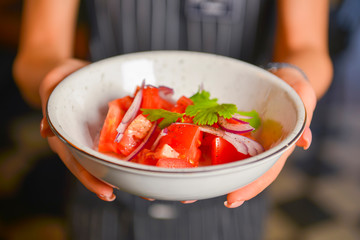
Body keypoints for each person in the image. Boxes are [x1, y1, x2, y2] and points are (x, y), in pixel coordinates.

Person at [13, 0, 333, 239]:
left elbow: (308, 48)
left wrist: (292, 85)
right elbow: (36, 54)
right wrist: (60, 87)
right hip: (102, 191)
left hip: (229, 202)